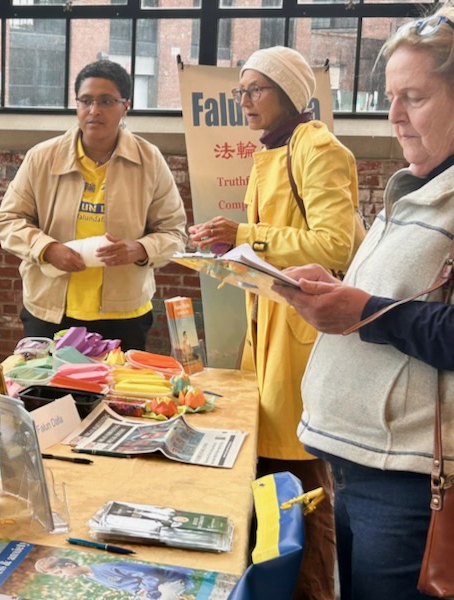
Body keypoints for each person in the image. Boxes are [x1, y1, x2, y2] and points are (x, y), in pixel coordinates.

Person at [274, 7, 454, 599]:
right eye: (390, 95)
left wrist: (366, 312)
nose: (394, 116)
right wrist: (333, 287)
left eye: (415, 97)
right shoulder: (416, 186)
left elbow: (394, 312)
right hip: (357, 466)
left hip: (410, 486)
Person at [189, 46, 361, 599]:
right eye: (240, 91)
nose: (243, 101)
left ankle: (309, 592)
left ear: (289, 94)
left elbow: (334, 246)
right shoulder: (274, 152)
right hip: (269, 339)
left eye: (255, 89)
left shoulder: (319, 148)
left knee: (302, 492)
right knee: (273, 485)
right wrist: (231, 256)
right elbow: (278, 253)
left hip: (302, 347)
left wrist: (243, 238)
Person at [0, 60, 187, 351]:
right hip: (51, 311)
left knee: (116, 396)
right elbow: (8, 219)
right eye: (86, 101)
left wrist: (140, 249)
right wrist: (47, 249)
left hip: (123, 313)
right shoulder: (43, 157)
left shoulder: (149, 161)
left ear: (126, 106)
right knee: (47, 395)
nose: (94, 111)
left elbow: (174, 232)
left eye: (106, 101)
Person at [35, 555, 189, 599]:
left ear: (69, 565)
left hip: (166, 582)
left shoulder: (107, 568)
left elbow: (148, 573)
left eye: (60, 573)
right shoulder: (89, 577)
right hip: (145, 593)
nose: (63, 577)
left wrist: (148, 592)